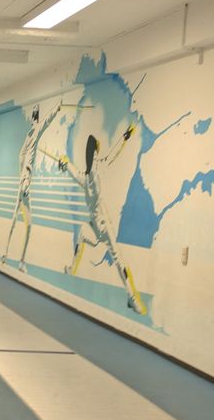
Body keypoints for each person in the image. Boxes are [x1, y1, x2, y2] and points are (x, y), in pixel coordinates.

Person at [58, 128, 147, 315]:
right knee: (82, 233)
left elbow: (74, 167)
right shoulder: (88, 175)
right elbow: (71, 168)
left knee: (118, 259)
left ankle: (132, 297)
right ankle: (71, 268)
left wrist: (124, 137)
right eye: (95, 150)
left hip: (105, 227)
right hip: (97, 227)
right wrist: (64, 163)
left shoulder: (90, 173)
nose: (95, 155)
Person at [3, 100, 61, 271]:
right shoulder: (34, 132)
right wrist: (57, 107)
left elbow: (21, 158)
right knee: (27, 223)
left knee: (15, 220)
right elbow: (47, 121)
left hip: (22, 182)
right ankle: (20, 261)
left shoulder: (27, 136)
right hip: (25, 183)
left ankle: (7, 256)